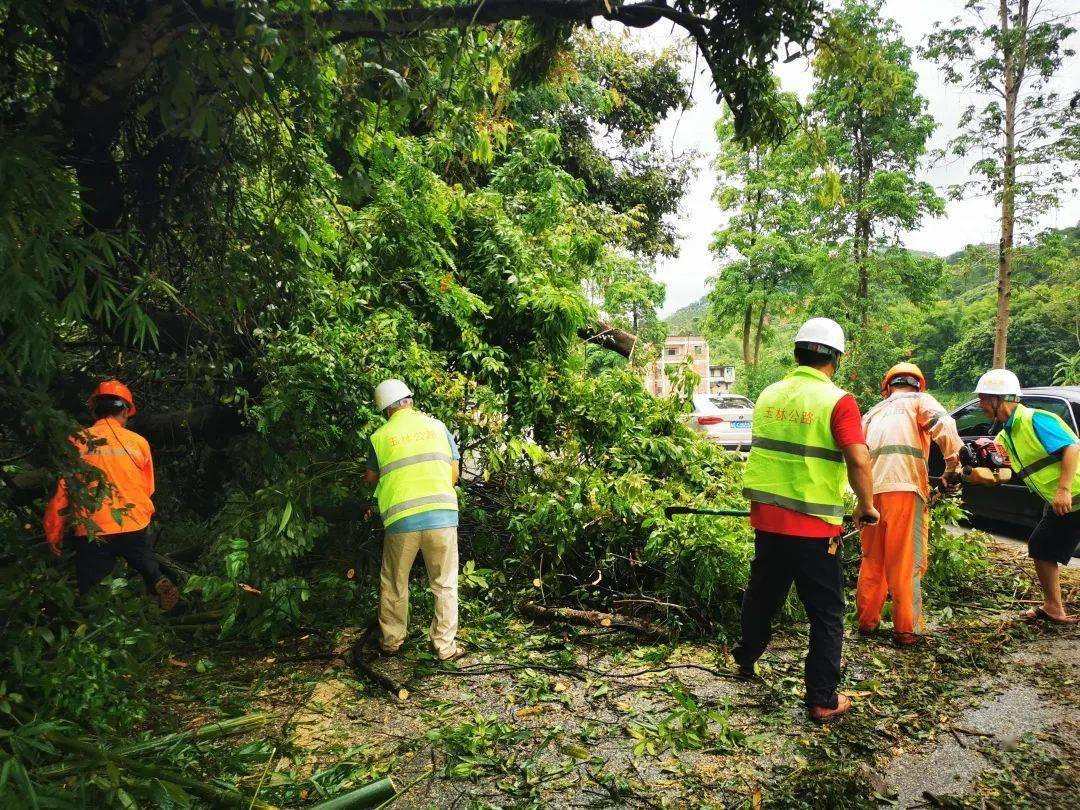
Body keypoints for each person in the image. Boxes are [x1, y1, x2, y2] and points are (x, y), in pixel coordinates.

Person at [734, 317, 879, 723]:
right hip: (814, 525)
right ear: (835, 358)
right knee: (827, 613)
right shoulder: (838, 401)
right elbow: (857, 458)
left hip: (767, 519)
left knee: (763, 592)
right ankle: (821, 699)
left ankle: (746, 656)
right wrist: (865, 505)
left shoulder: (768, 394)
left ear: (797, 352)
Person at [43, 381, 179, 610]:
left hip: (93, 527)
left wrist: (53, 528)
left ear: (94, 409)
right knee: (141, 555)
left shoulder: (77, 441)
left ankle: (99, 622)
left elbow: (63, 490)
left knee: (93, 586)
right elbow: (148, 488)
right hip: (132, 520)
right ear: (125, 410)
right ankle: (155, 577)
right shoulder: (139, 442)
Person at [856, 363, 963, 645]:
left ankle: (867, 623)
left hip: (869, 496)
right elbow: (946, 425)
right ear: (918, 384)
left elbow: (854, 455)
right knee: (904, 562)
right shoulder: (920, 401)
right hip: (904, 489)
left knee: (872, 560)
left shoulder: (872, 413)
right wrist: (954, 463)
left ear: (887, 386)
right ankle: (906, 630)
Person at [365, 379, 465, 660]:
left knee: (395, 582)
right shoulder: (437, 427)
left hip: (401, 521)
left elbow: (370, 479)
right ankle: (444, 647)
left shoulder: (380, 437)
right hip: (442, 516)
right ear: (410, 400)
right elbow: (454, 473)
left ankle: (392, 642)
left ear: (385, 410)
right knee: (444, 582)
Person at [975, 368, 1079, 624]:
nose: (980, 406)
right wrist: (976, 475)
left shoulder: (1037, 419)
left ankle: (1054, 607)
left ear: (998, 399)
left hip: (1072, 495)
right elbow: (1006, 473)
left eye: (983, 399)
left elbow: (1072, 448)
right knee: (1041, 545)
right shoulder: (1005, 435)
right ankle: (1053, 608)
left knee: (1042, 545)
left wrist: (1063, 489)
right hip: (1061, 504)